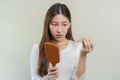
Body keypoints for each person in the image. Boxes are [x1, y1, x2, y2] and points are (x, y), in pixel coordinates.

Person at [30, 3, 94, 80]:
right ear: (48, 25)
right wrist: (48, 78)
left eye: (64, 24)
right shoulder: (37, 49)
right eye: (55, 24)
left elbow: (78, 79)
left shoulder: (77, 48)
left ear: (69, 24)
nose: (59, 30)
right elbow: (34, 78)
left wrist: (83, 54)